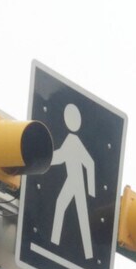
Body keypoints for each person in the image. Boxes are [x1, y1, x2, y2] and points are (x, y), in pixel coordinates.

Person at [50, 102, 96, 257]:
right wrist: (46, 159)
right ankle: (55, 241)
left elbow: (90, 163)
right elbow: (61, 156)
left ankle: (88, 253)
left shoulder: (74, 141)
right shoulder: (70, 140)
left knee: (82, 215)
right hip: (72, 181)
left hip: (77, 182)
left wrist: (91, 190)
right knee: (62, 205)